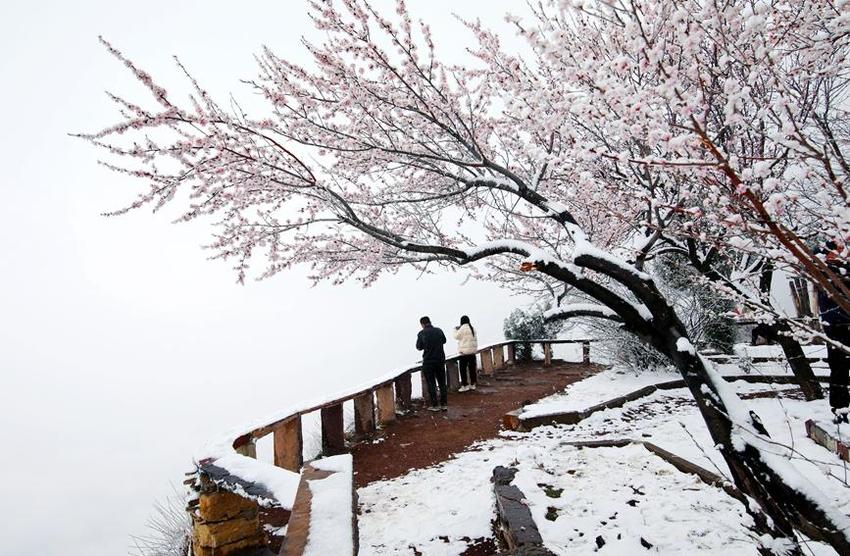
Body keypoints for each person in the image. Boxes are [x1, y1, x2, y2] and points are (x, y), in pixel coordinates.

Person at [818, 245, 850, 423]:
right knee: (839, 369)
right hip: (836, 325)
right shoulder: (824, 270)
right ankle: (840, 409)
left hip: (837, 323)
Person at [416, 316, 448, 411]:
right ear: (430, 322)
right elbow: (444, 341)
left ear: (422, 324)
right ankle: (444, 404)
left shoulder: (421, 333)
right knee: (442, 383)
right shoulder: (438, 330)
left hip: (428, 361)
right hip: (440, 360)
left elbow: (419, 347)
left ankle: (435, 405)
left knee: (431, 383)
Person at [454, 315, 478, 392]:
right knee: (472, 369)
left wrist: (455, 329)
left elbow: (456, 337)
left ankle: (465, 385)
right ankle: (473, 384)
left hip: (464, 353)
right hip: (472, 352)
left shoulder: (462, 328)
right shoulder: (472, 328)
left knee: (463, 370)